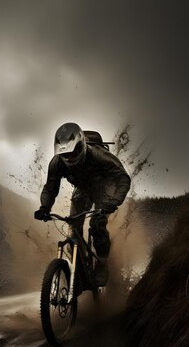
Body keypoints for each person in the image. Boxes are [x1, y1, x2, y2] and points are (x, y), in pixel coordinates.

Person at [34, 122, 131, 286]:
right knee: (73, 228)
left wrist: (114, 202)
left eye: (74, 152)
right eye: (65, 155)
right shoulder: (57, 163)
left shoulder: (99, 155)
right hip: (83, 189)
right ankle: (79, 273)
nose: (70, 158)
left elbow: (123, 178)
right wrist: (44, 207)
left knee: (97, 223)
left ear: (82, 146)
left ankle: (102, 264)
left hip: (105, 187)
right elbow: (50, 188)